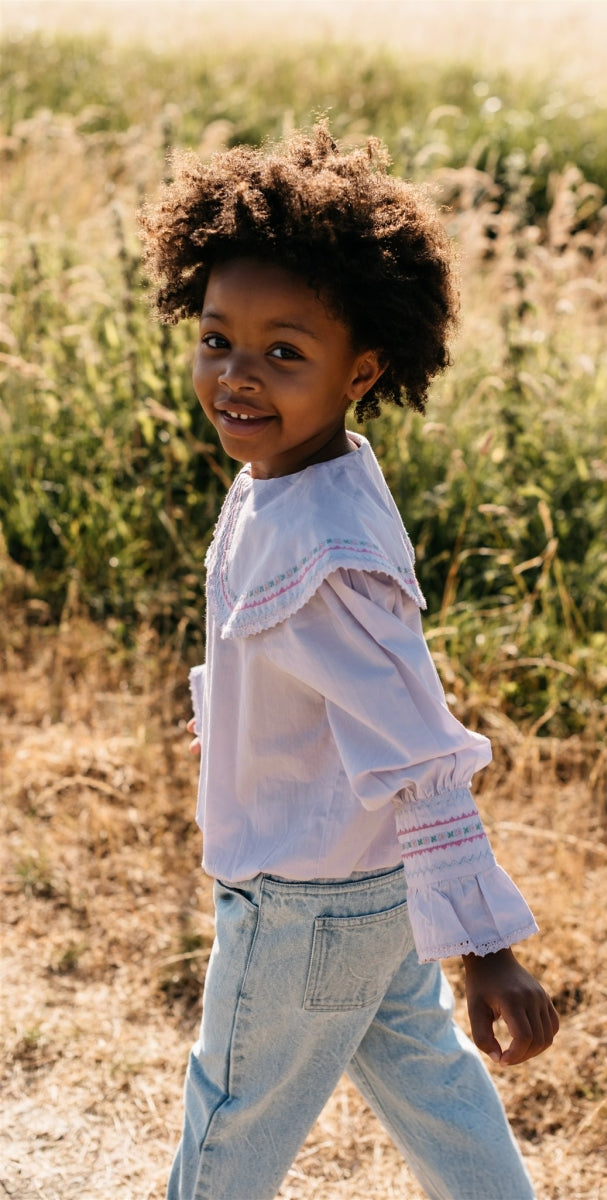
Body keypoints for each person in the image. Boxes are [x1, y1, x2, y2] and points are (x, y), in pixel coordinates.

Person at [139, 122, 559, 1200]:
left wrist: (484, 947)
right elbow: (297, 667)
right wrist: (229, 714)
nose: (239, 375)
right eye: (216, 338)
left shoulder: (315, 547)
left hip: (299, 909)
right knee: (431, 1089)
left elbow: (414, 742)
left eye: (285, 352)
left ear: (361, 370)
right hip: (366, 895)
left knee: (228, 1125)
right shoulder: (306, 474)